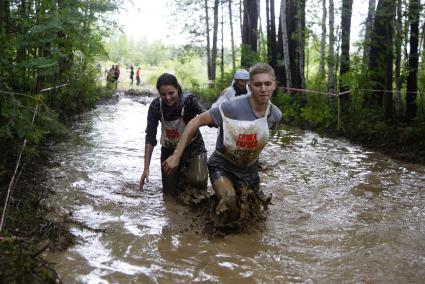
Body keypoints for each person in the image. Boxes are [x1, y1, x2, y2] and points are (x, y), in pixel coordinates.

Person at [163, 63, 282, 224]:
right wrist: (176, 155)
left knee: (252, 217)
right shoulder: (232, 106)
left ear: (274, 85)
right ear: (249, 86)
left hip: (250, 172)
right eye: (257, 84)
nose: (263, 89)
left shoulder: (275, 114)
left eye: (267, 84)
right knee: (229, 200)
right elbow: (195, 121)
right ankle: (216, 240)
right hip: (222, 166)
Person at [139, 73, 208, 195]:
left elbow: (207, 115)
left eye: (171, 93)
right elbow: (150, 138)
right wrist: (146, 168)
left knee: (199, 181)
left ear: (178, 89)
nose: (167, 97)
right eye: (163, 94)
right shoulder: (155, 106)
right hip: (169, 150)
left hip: (193, 148)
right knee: (169, 194)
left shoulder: (189, 101)